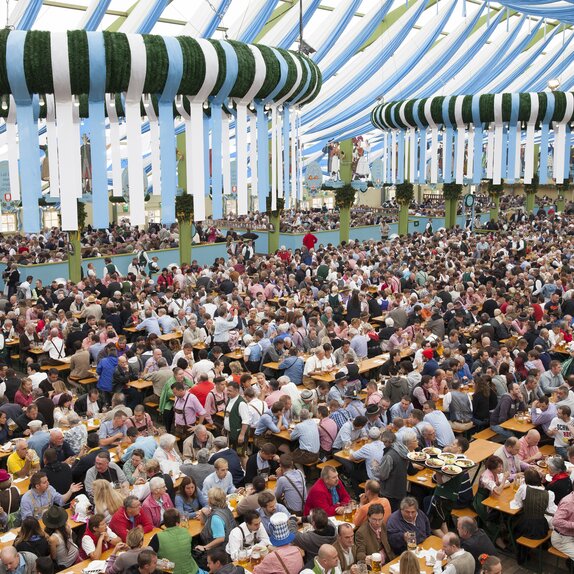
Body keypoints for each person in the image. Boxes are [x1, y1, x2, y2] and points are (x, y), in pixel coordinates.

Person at [512, 467, 555, 563]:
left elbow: (517, 503)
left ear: (526, 481)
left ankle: (518, 552)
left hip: (526, 524)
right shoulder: (549, 494)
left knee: (512, 524)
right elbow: (551, 510)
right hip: (541, 527)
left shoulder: (523, 489)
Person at [149, 508, 200, 574]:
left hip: (171, 571)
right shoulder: (186, 531)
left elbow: (148, 556)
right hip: (192, 570)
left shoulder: (158, 537)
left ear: (164, 523)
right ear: (178, 522)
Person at [196, 487, 236, 556]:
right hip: (231, 544)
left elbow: (220, 538)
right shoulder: (226, 509)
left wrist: (205, 547)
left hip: (221, 551)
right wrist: (203, 512)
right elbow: (204, 523)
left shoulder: (216, 517)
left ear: (211, 501)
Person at [42, 505, 80, 569]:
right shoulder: (67, 526)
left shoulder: (53, 539)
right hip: (75, 553)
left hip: (65, 563)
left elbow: (53, 557)